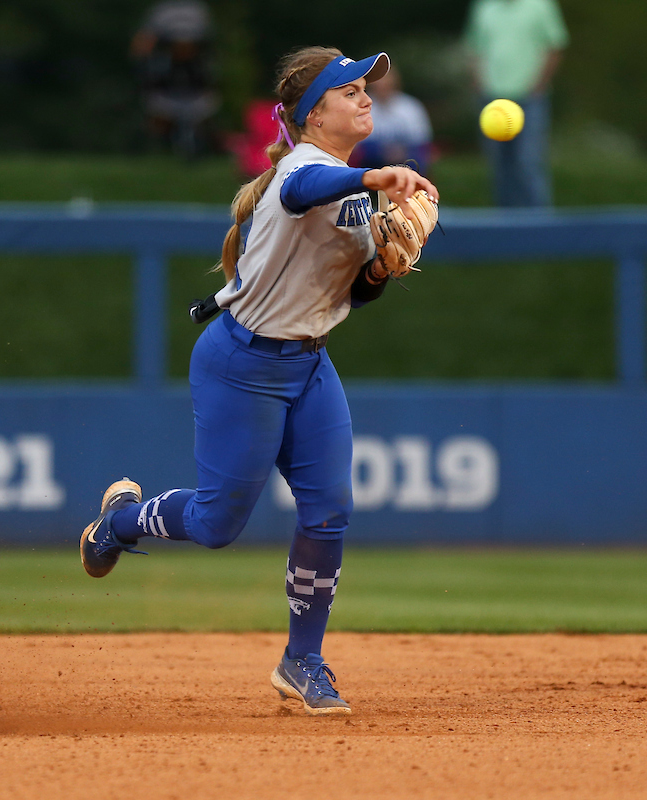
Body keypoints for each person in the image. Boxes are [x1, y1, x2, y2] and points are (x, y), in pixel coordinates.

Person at [79, 47, 439, 716]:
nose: (366, 99)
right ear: (313, 114)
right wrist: (374, 178)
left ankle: (303, 659)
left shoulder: (352, 185)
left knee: (330, 510)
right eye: (351, 91)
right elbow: (304, 192)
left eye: (369, 89)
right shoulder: (306, 170)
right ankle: (119, 522)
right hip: (242, 363)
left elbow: (354, 293)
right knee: (218, 524)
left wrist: (383, 268)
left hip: (308, 363)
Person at [464, 0, 568, 207]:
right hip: (492, 102)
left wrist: (539, 84)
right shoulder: (484, 7)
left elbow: (556, 46)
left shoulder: (541, 5)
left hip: (529, 100)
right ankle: (506, 227)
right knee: (499, 167)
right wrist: (479, 83)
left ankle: (537, 226)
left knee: (528, 163)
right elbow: (474, 48)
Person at [130, 0, 219, 159]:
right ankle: (161, 150)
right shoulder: (162, 11)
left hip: (193, 87)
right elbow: (143, 42)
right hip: (166, 86)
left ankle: (198, 148)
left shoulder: (198, 10)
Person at [352, 66, 434, 174]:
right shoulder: (361, 106)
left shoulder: (410, 107)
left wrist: (399, 152)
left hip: (406, 158)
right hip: (372, 160)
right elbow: (356, 143)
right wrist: (383, 152)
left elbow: (422, 141)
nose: (382, 85)